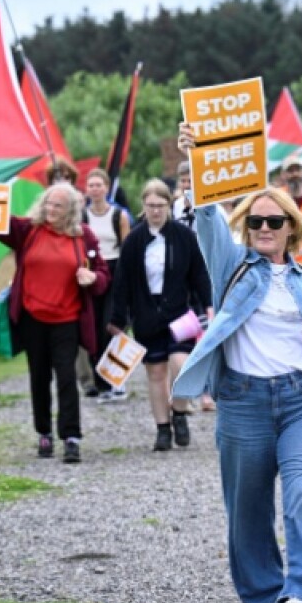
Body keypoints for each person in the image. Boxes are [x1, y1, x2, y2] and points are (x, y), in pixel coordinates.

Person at [172, 125, 302, 603]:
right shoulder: (232, 268)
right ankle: (266, 593)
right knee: (247, 510)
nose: (265, 228)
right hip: (243, 404)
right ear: (246, 229)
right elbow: (206, 219)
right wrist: (197, 158)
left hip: (301, 401)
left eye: (275, 221)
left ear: (292, 228)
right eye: (256, 222)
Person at [0, 183, 110, 464]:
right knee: (39, 377)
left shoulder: (83, 237)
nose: (51, 210)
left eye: (57, 205)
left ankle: (71, 438)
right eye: (48, 204)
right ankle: (43, 433)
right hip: (33, 319)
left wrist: (93, 279)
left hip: (67, 320)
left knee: (67, 378)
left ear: (70, 210)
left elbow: (103, 274)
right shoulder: (28, 230)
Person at [108, 180, 212, 452]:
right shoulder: (133, 241)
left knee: (181, 364)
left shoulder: (184, 236)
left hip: (179, 313)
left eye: (160, 205)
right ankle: (162, 428)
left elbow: (199, 273)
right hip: (146, 313)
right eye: (150, 206)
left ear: (169, 205)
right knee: (155, 372)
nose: (155, 211)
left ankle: (179, 411)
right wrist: (117, 320)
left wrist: (209, 305)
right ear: (143, 206)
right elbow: (122, 282)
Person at [81, 168, 131, 399]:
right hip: (91, 272)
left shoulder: (118, 216)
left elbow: (127, 247)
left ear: (107, 187)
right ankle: (101, 383)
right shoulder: (82, 216)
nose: (95, 189)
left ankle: (117, 381)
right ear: (86, 189)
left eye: (99, 185)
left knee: (112, 326)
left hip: (116, 271)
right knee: (92, 328)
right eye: (91, 185)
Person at [172, 160, 197, 230]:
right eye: (183, 181)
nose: (186, 185)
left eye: (190, 181)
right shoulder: (177, 204)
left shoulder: (204, 206)